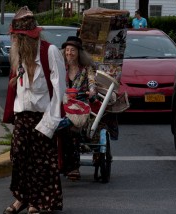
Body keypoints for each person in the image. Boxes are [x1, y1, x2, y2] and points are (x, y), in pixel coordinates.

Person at [2, 6, 66, 214]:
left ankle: (38, 202)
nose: (15, 42)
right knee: (19, 157)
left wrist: (51, 122)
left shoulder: (50, 52)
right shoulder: (19, 55)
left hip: (43, 115)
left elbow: (59, 90)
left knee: (41, 162)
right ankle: (21, 198)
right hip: (23, 115)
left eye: (19, 38)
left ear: (29, 37)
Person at [58, 36, 98, 181]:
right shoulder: (61, 68)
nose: (69, 53)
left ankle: (73, 166)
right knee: (58, 127)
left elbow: (92, 83)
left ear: (79, 53)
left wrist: (92, 91)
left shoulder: (87, 69)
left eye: (72, 50)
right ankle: (62, 163)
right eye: (67, 50)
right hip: (63, 106)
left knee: (71, 128)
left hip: (81, 108)